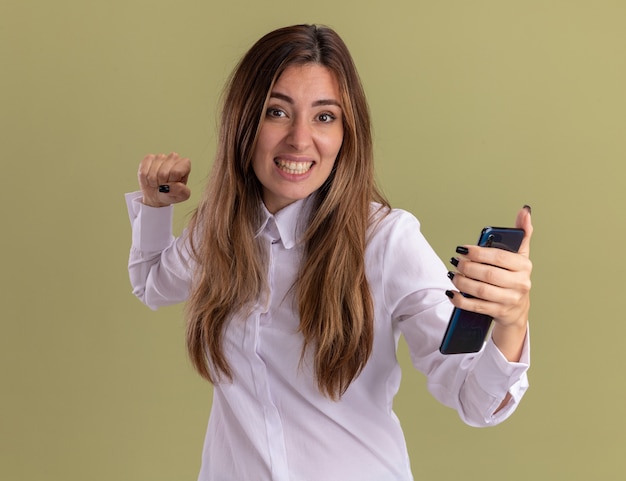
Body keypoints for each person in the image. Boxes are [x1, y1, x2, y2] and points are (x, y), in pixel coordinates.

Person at [125, 24, 533, 481]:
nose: (300, 140)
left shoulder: (386, 241)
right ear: (243, 122)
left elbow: (475, 400)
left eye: (324, 117)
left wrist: (512, 322)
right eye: (277, 112)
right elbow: (152, 285)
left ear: (346, 132)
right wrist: (155, 208)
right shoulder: (218, 230)